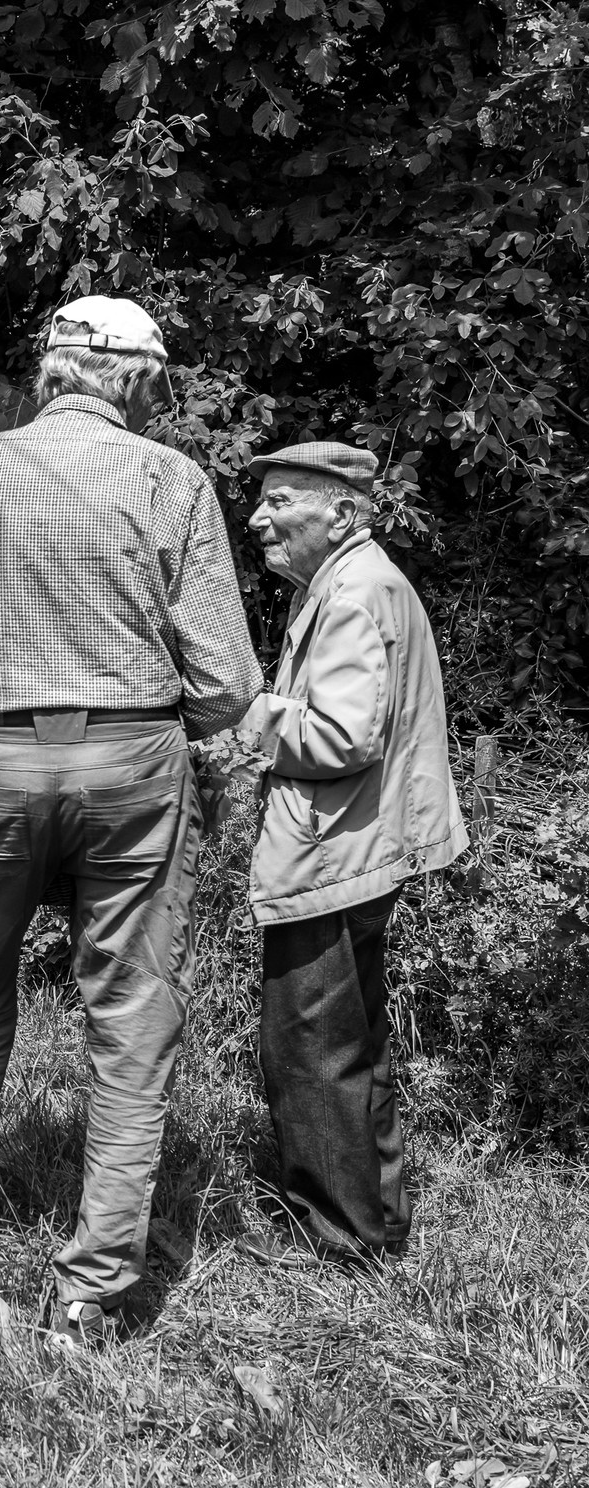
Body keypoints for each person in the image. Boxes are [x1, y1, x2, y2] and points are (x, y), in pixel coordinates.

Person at [0, 295, 262, 1348]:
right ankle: (93, 1285)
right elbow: (224, 679)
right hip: (129, 760)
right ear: (137, 381)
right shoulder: (170, 481)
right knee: (128, 1012)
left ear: (53, 370)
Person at [235, 443, 467, 1266]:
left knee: (308, 1049)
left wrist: (249, 720)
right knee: (353, 1039)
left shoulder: (353, 593)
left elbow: (340, 735)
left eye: (283, 501)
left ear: (341, 514)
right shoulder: (351, 582)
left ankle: (336, 1242)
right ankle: (379, 1219)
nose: (261, 517)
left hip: (335, 853)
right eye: (261, 501)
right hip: (360, 843)